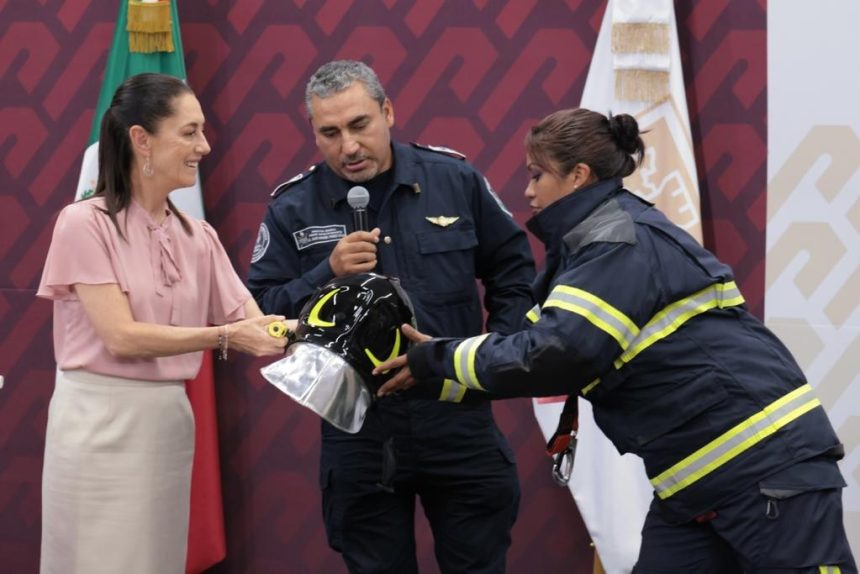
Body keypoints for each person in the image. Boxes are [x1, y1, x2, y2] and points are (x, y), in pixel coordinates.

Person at [374, 108, 857, 573]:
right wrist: (424, 373)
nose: (527, 191)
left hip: (767, 468)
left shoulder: (616, 242)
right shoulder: (587, 249)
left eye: (537, 175)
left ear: (579, 175)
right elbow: (528, 351)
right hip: (694, 485)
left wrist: (435, 358)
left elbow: (557, 354)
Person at [247, 60, 536, 573]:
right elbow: (261, 314)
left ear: (388, 112)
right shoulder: (292, 207)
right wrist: (325, 273)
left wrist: (494, 356)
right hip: (358, 426)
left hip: (455, 411)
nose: (349, 147)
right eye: (330, 133)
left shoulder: (454, 179)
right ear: (313, 132)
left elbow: (514, 271)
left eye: (360, 125)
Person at [37, 73, 290, 574]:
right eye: (190, 131)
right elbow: (121, 336)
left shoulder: (199, 236)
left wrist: (330, 322)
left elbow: (257, 326)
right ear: (141, 139)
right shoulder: (84, 223)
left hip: (167, 427)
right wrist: (221, 337)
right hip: (98, 427)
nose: (205, 145)